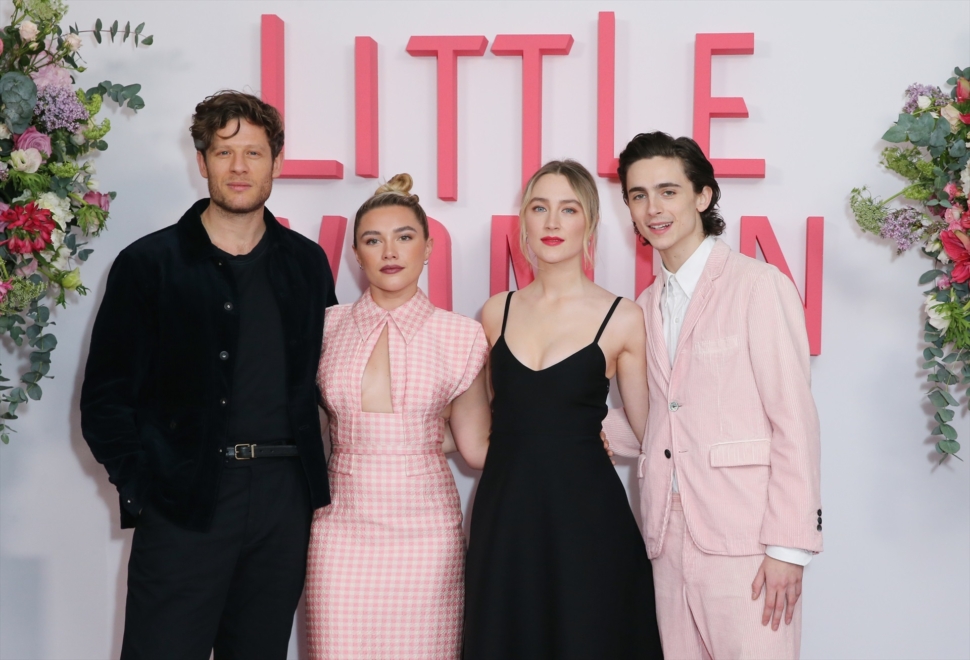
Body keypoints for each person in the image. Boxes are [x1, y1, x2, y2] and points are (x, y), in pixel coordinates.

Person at [79, 91, 336, 659]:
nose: (239, 167)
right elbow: (104, 399)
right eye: (224, 153)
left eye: (254, 152)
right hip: (185, 502)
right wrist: (146, 489)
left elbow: (331, 381)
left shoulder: (307, 264)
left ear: (278, 160)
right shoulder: (148, 264)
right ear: (202, 162)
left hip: (281, 502)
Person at [602, 131, 822, 659]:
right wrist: (556, 420)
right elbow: (655, 420)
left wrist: (789, 548)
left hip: (746, 540)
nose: (653, 208)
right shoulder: (646, 304)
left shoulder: (758, 286)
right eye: (638, 195)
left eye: (668, 191)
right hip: (665, 538)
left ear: (702, 196)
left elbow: (794, 421)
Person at [463, 160, 663, 659]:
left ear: (589, 224)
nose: (553, 223)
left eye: (568, 209)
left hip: (588, 523)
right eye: (540, 208)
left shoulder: (623, 317)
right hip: (505, 521)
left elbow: (650, 432)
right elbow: (478, 431)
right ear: (524, 222)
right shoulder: (494, 312)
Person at [305, 174, 491, 660]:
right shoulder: (324, 327)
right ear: (356, 253)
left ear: (428, 247)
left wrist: (571, 439)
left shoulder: (462, 336)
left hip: (427, 534)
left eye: (404, 237)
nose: (390, 251)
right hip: (339, 528)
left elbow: (474, 447)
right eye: (373, 239)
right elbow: (311, 430)